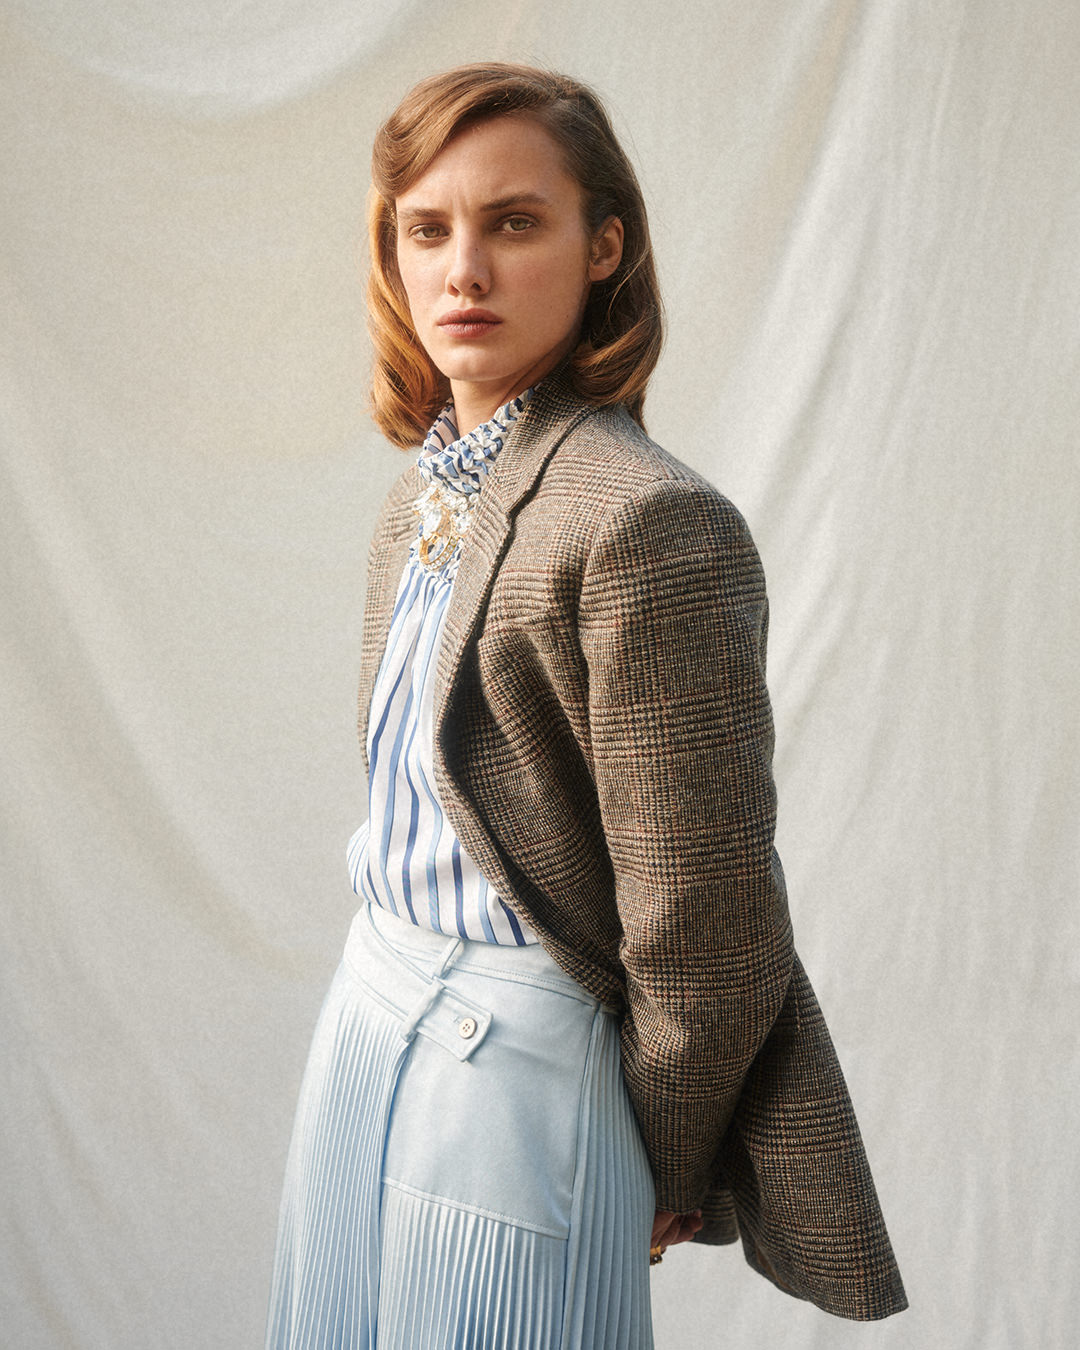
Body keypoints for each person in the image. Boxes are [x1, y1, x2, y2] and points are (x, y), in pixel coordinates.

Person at [265, 63, 907, 1349]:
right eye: (427, 230)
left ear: (602, 245)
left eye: (514, 222)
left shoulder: (648, 521)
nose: (464, 271)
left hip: (512, 1065)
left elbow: (706, 920)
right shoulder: (420, 500)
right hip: (365, 1006)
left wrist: (658, 1145)